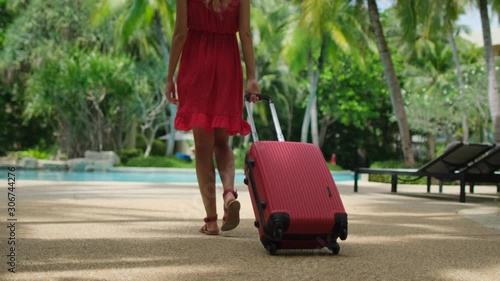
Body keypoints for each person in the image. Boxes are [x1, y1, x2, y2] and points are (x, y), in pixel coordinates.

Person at [165, 0, 261, 235]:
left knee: (203, 147)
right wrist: (252, 78)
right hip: (228, 63)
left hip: (196, 63)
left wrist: (170, 77)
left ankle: (211, 220)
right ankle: (229, 193)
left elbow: (179, 34)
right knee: (222, 142)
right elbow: (246, 34)